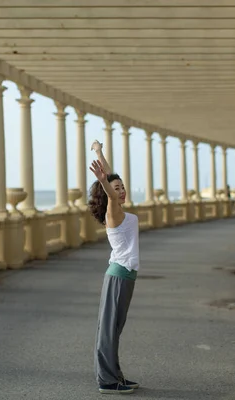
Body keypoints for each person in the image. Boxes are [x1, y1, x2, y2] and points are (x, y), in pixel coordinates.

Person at [88, 140, 140, 395]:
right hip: (119, 276)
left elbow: (109, 178)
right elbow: (108, 189)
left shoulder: (120, 209)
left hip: (125, 276)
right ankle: (107, 380)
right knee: (109, 330)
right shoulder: (114, 212)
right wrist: (104, 181)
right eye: (116, 188)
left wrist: (99, 152)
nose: (121, 191)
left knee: (114, 329)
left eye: (123, 187)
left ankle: (114, 375)